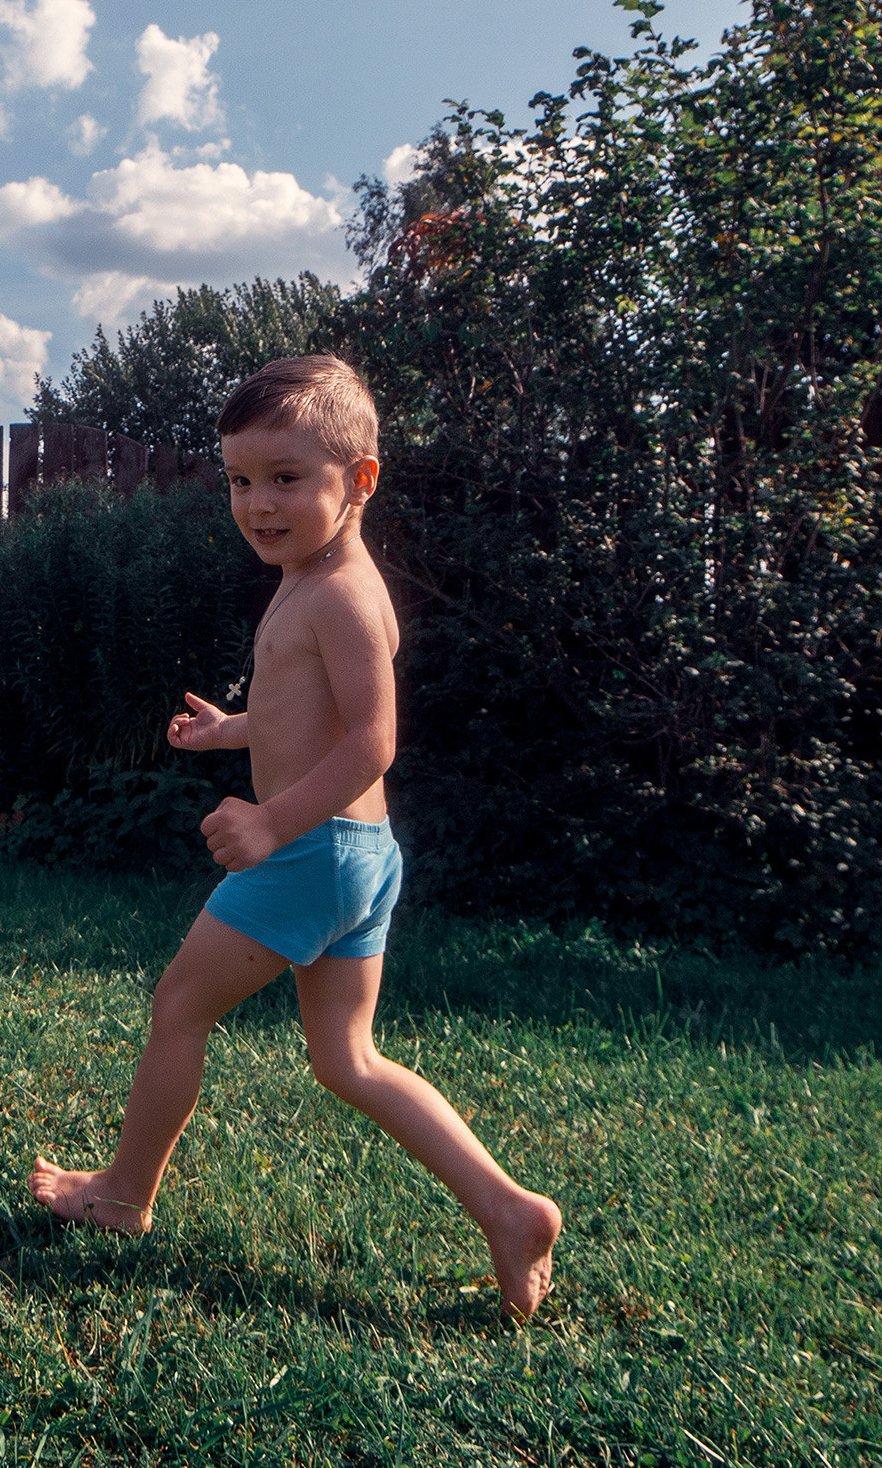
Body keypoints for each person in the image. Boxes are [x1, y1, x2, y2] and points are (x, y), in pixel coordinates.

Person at [28, 355, 563, 1321]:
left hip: (314, 852)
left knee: (179, 1007)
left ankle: (122, 1194)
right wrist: (228, 731)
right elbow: (303, 717)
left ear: (360, 479)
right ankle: (508, 1208)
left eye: (285, 477)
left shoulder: (341, 594)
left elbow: (373, 739)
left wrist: (272, 820)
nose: (258, 503)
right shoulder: (308, 578)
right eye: (240, 479)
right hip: (357, 857)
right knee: (347, 1059)